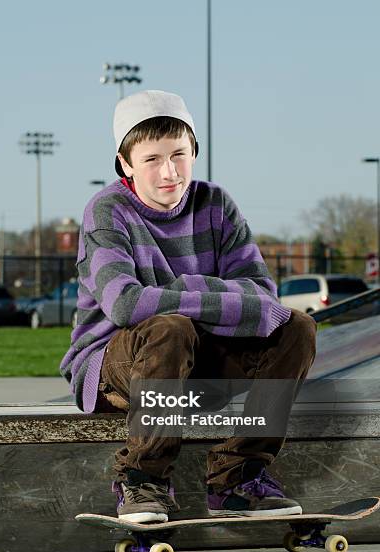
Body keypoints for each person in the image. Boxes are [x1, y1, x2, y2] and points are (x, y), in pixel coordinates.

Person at [61, 90, 317, 524]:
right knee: (170, 328)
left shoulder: (215, 204)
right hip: (115, 365)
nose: (169, 172)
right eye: (152, 159)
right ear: (126, 164)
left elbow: (262, 296)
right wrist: (216, 294)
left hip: (197, 362)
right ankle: (143, 479)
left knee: (297, 327)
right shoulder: (107, 211)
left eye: (179, 154)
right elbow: (125, 305)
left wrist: (178, 291)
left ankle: (239, 475)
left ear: (194, 152)